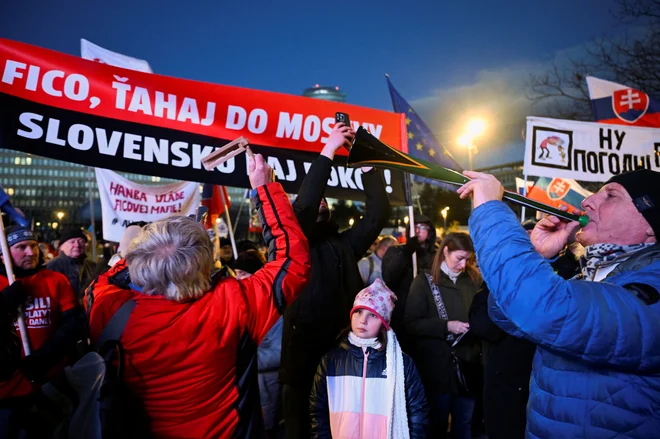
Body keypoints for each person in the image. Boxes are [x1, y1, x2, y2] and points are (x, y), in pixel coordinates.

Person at [86, 152, 311, 439]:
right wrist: (265, 189)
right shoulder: (232, 303)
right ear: (206, 262)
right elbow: (294, 261)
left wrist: (133, 253)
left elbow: (104, 281)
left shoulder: (109, 308)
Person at [457, 168, 660, 438]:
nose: (588, 202)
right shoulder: (592, 275)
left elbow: (545, 311)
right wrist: (540, 257)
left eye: (610, 196)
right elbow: (505, 315)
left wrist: (492, 211)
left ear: (649, 223)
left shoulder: (652, 284)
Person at [280, 123, 390, 439]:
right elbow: (302, 206)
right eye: (318, 200)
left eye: (325, 201)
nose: (322, 202)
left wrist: (367, 166)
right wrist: (329, 150)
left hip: (340, 352)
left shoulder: (344, 243)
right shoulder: (292, 243)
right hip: (302, 360)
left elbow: (377, 215)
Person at [310, 279, 428, 438]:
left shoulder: (402, 364)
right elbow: (317, 410)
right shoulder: (331, 360)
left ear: (384, 323)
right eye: (359, 312)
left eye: (373, 315)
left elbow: (417, 411)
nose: (363, 320)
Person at [0, 225, 83, 437]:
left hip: (50, 382)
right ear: (3, 254)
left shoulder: (55, 280)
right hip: (7, 389)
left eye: (34, 245)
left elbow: (73, 325)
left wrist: (46, 356)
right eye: (21, 247)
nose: (31, 252)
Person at [404, 233, 482, 439]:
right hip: (436, 369)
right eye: (459, 258)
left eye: (468, 259)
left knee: (464, 426)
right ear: (445, 251)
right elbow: (412, 324)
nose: (464, 265)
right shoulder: (423, 282)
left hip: (468, 367)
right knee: (436, 426)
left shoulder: (474, 280)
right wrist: (446, 326)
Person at [235, 248, 283, 438]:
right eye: (236, 273)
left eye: (244, 274)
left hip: (266, 381)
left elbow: (278, 350)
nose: (238, 279)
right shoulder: (238, 302)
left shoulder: (273, 305)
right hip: (246, 383)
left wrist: (245, 357)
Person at [383, 215, 437, 349]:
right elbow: (389, 276)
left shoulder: (436, 255)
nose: (417, 231)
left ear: (430, 233)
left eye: (422, 228)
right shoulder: (396, 251)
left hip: (428, 314)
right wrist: (408, 251)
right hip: (402, 314)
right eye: (414, 227)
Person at [47, 227, 98, 301]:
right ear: (61, 246)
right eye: (72, 242)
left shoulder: (93, 266)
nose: (77, 245)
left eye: (81, 241)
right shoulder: (52, 266)